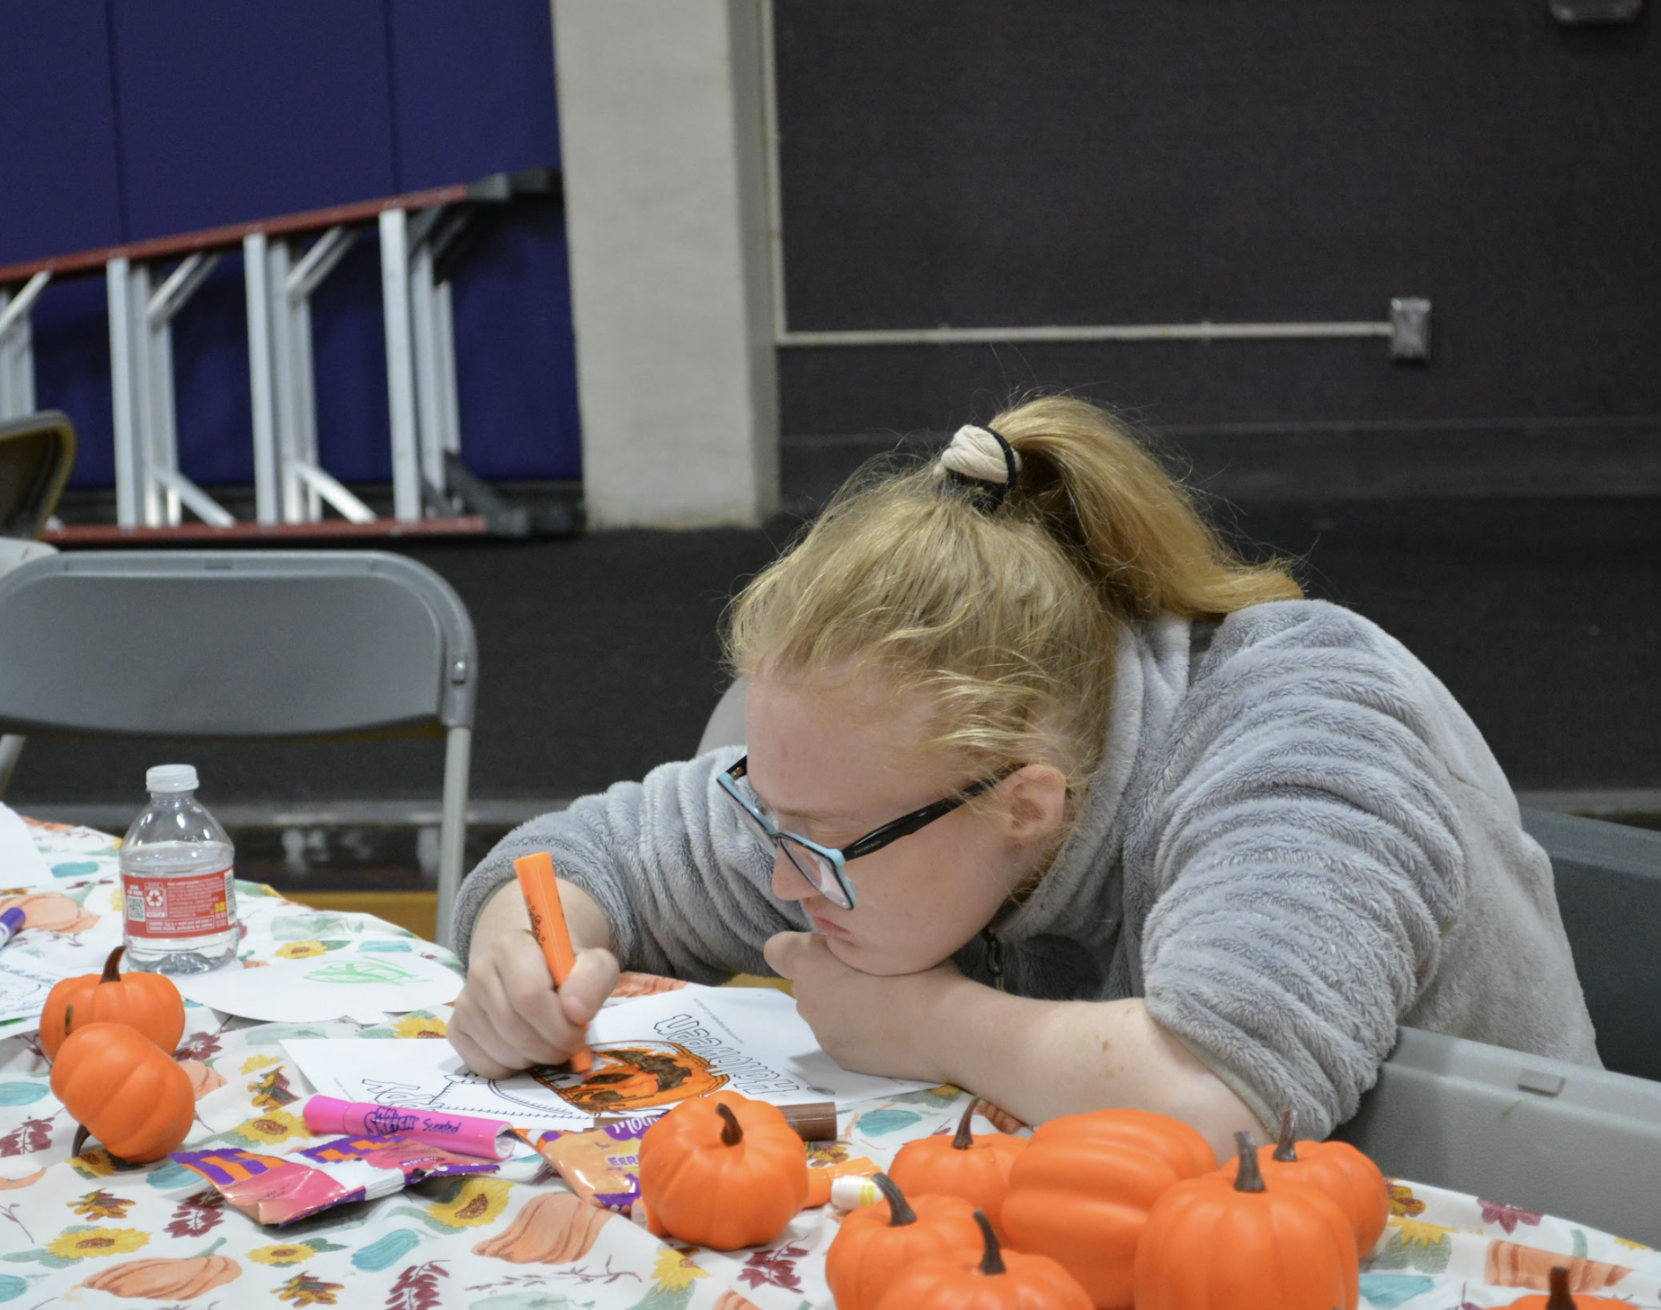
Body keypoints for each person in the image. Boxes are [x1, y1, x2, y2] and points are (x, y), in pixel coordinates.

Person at [445, 394, 1598, 1151]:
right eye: (768, 810)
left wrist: (929, 1021)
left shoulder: (1303, 724)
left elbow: (1222, 1102)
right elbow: (580, 856)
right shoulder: (876, 795)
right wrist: (519, 956)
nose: (778, 876)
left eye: (818, 845)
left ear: (1024, 806)